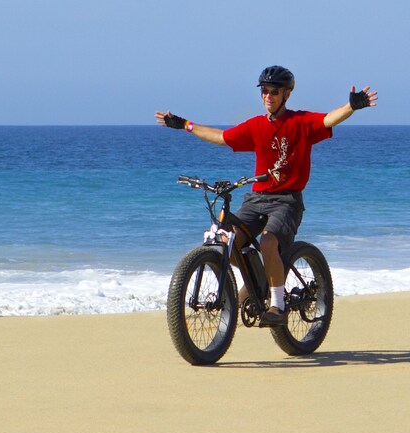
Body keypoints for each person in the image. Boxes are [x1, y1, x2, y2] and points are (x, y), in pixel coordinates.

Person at [155, 66, 377, 326]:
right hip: (256, 199)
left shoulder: (300, 123)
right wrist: (184, 124)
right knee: (229, 240)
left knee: (269, 242)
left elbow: (328, 119)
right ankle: (258, 279)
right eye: (264, 91)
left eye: (274, 92)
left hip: (287, 201)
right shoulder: (256, 126)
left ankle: (277, 306)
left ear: (286, 94)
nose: (268, 96)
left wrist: (351, 107)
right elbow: (221, 137)